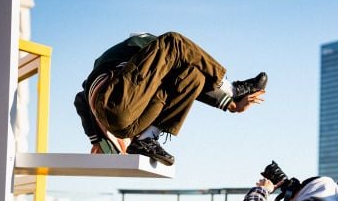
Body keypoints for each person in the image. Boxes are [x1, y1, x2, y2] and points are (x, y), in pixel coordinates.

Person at [74, 31, 267, 165]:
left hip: (133, 125)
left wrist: (231, 106)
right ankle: (232, 88)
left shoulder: (148, 73)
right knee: (174, 41)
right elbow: (174, 47)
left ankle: (147, 138)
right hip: (115, 103)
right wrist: (231, 93)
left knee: (194, 76)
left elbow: (80, 99)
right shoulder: (146, 46)